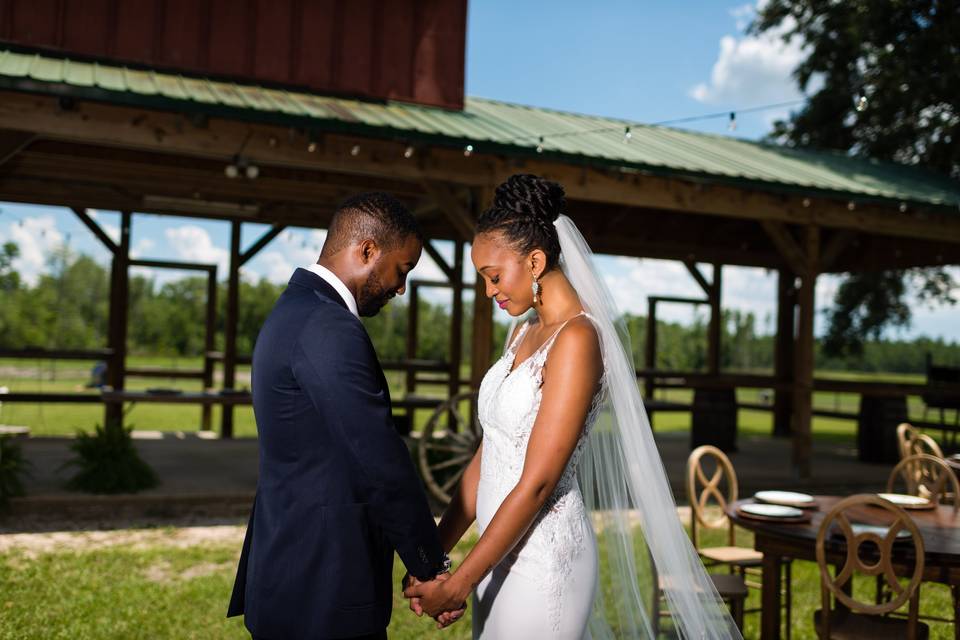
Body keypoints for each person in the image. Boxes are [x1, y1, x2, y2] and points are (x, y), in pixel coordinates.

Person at [404, 175, 741, 639]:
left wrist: (460, 583)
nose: (489, 292)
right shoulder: (521, 333)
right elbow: (487, 457)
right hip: (495, 556)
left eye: (494, 276)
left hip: (543, 566)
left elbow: (540, 482)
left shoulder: (578, 339)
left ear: (536, 261)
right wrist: (433, 559)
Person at [228, 192, 458, 639]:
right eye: (402, 269)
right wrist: (430, 566)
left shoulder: (294, 310)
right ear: (367, 250)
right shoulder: (327, 326)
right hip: (322, 586)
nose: (400, 287)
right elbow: (378, 457)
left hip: (294, 573)